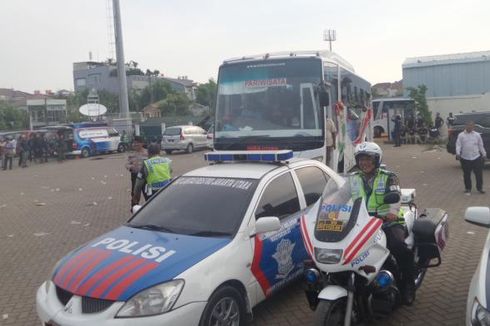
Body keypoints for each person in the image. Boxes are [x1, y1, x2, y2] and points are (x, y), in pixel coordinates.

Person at [351, 142, 415, 305]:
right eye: (361, 159)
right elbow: (339, 197)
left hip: (388, 223)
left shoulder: (388, 176)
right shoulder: (352, 179)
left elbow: (395, 195)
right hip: (361, 225)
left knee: (398, 248)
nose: (364, 163)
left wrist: (391, 213)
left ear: (376, 160)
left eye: (368, 159)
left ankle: (408, 285)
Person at [456, 121, 486, 194]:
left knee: (479, 174)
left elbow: (480, 145)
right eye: (468, 125)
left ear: (473, 127)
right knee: (466, 174)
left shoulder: (477, 135)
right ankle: (468, 188)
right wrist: (458, 153)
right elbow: (458, 145)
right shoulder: (461, 135)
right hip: (465, 158)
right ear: (466, 126)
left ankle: (480, 188)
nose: (470, 127)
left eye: (471, 126)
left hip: (476, 157)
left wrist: (484, 154)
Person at [125, 136, 148, 203]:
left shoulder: (147, 153)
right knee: (135, 195)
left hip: (146, 176)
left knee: (147, 194)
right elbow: (127, 164)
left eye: (137, 143)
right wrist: (130, 167)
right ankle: (134, 208)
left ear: (142, 143)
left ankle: (150, 208)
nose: (135, 144)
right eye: (133, 143)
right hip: (135, 176)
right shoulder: (131, 154)